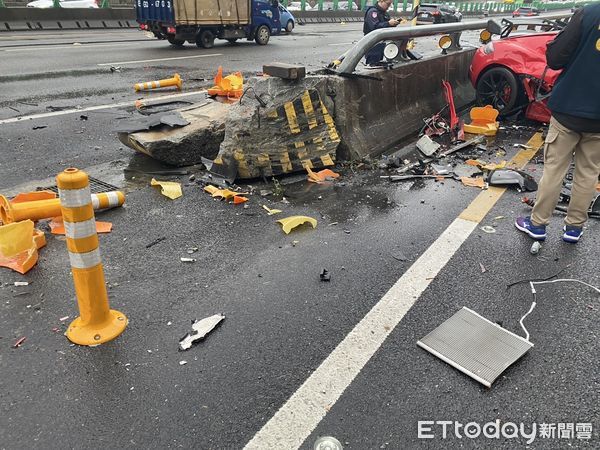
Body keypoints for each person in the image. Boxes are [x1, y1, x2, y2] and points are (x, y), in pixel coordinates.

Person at [515, 4, 600, 243]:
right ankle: (573, 229)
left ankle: (538, 225)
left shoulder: (589, 13)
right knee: (588, 173)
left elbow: (555, 58)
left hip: (569, 108)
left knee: (554, 169)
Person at [363, 0, 400, 66]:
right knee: (372, 64)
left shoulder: (384, 13)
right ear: (381, 1)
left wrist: (393, 24)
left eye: (390, 4)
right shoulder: (373, 12)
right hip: (372, 43)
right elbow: (374, 27)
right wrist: (388, 23)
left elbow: (386, 26)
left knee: (379, 63)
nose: (388, 7)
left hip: (381, 43)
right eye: (388, 4)